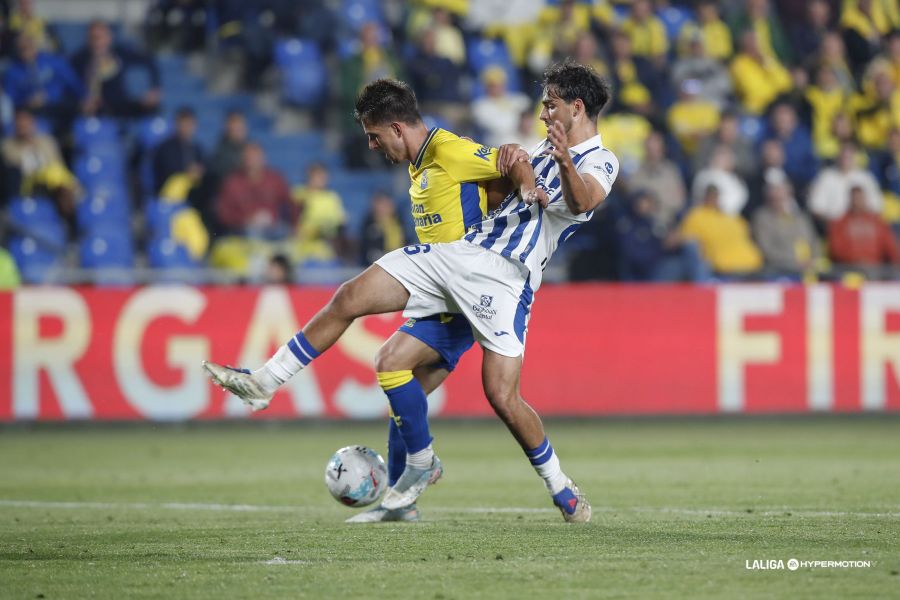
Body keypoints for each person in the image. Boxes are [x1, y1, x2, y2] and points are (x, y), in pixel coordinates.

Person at [204, 62, 619, 524]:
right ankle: (269, 384)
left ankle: (560, 486)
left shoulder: (601, 161)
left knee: (502, 396)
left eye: (551, 105)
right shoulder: (540, 149)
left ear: (576, 108)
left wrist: (557, 163)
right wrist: (508, 169)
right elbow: (506, 176)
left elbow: (583, 200)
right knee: (366, 323)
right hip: (464, 255)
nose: (543, 113)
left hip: (507, 277)